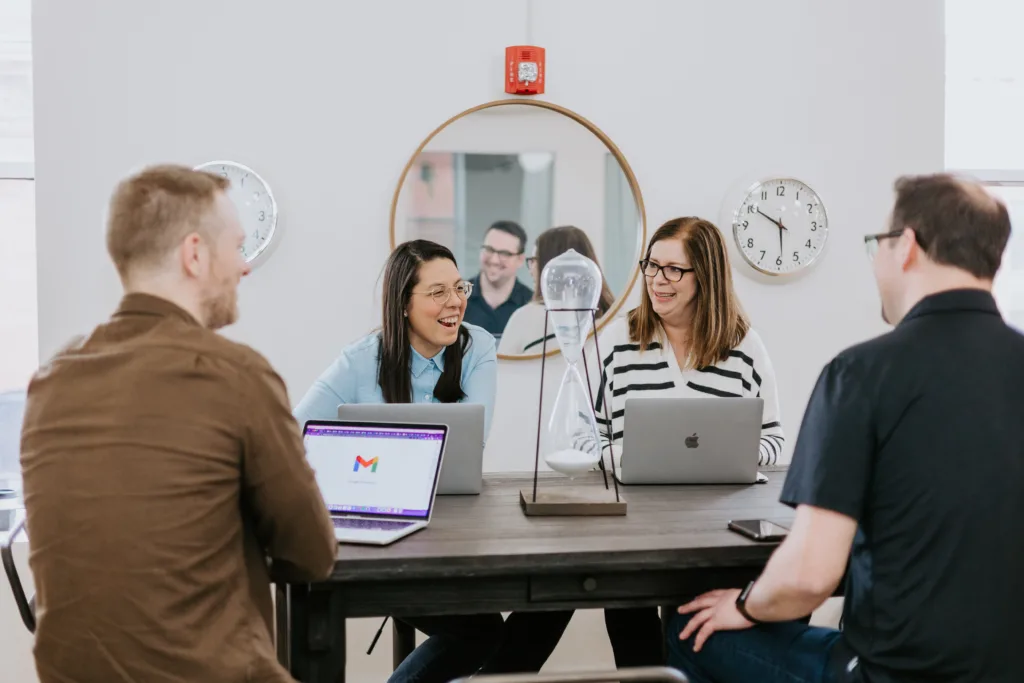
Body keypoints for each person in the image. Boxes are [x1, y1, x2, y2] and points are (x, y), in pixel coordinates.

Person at [667, 174, 1024, 683]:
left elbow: (808, 577)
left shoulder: (861, 375)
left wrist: (743, 605)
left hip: (888, 673)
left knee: (690, 628)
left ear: (905, 247)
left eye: (876, 243)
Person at [19, 165, 337, 683]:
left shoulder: (51, 381)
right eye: (236, 247)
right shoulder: (235, 373)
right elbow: (311, 555)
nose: (244, 267)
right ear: (195, 254)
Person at [294, 239, 502, 683]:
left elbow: (473, 442)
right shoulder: (360, 360)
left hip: (456, 538)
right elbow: (292, 438)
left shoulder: (478, 347)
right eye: (437, 292)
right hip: (380, 540)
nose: (456, 302)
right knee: (480, 632)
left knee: (502, 624)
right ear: (403, 304)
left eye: (459, 287)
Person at [498, 225, 616, 355]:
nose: (531, 268)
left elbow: (502, 370)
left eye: (534, 260)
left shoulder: (526, 317)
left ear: (550, 266)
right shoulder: (614, 319)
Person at [464, 220, 533, 337]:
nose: (494, 260)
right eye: (489, 250)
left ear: (520, 260)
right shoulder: (456, 298)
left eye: (504, 253)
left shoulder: (531, 306)